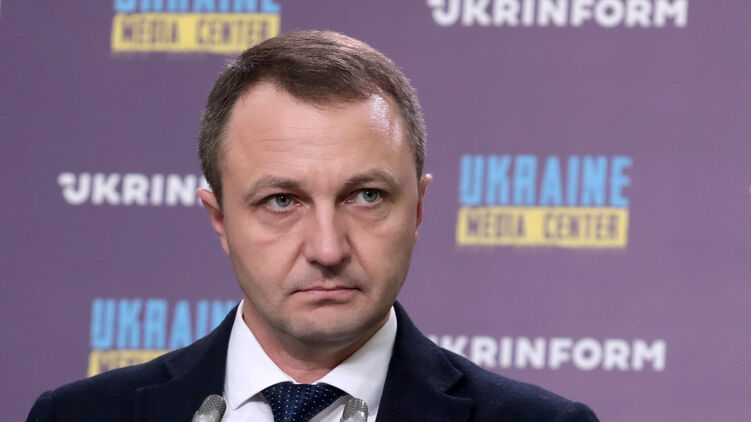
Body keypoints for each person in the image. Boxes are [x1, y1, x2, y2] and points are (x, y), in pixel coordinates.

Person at [26, 30, 599, 422]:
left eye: (366, 196)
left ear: (418, 210)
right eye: (282, 201)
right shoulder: (77, 416)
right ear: (220, 220)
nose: (327, 249)